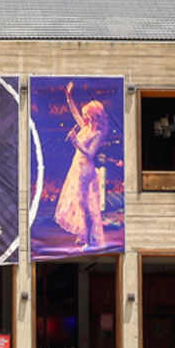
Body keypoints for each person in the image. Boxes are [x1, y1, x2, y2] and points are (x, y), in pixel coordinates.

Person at [54, 82, 108, 249]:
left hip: (86, 169)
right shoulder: (85, 127)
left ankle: (87, 239)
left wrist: (75, 142)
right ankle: (82, 235)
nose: (84, 117)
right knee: (78, 202)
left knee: (84, 204)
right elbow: (74, 112)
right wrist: (68, 97)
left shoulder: (97, 133)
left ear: (94, 116)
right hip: (76, 167)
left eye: (87, 115)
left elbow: (91, 154)